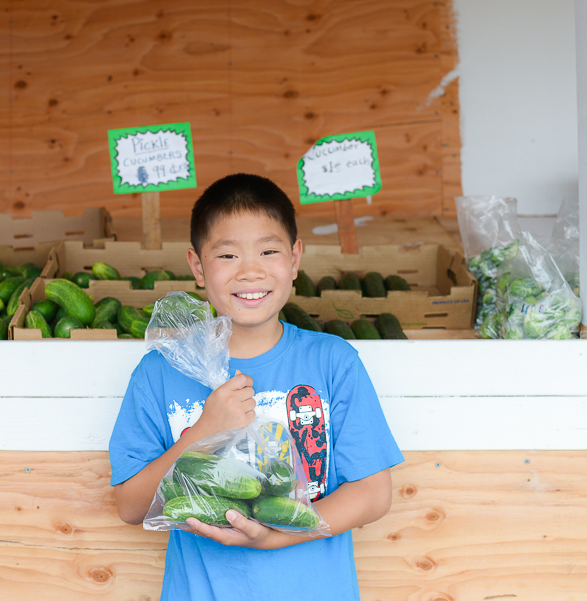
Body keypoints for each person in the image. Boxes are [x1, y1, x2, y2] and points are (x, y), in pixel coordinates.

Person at [109, 173, 403, 600]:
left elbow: (373, 495)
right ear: (197, 266)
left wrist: (274, 536)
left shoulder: (333, 361)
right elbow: (131, 506)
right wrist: (204, 431)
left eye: (268, 250)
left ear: (295, 257)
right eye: (227, 255)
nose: (250, 270)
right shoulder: (160, 371)